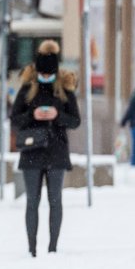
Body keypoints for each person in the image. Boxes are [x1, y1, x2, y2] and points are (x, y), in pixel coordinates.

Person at [10, 39, 80, 257]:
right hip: (32, 151)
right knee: (32, 201)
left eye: (50, 75)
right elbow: (14, 119)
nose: (46, 78)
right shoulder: (27, 88)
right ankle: (31, 248)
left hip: (56, 150)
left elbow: (75, 120)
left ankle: (53, 247)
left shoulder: (65, 89)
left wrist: (58, 116)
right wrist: (33, 114)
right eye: (43, 74)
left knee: (55, 200)